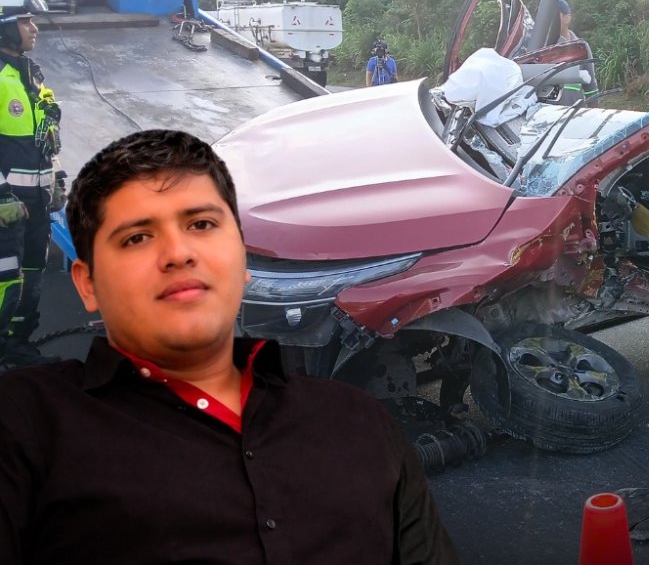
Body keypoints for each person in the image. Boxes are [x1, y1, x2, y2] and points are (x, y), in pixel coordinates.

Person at [0, 129, 459, 564]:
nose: (179, 253)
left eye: (201, 224)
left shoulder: (361, 424)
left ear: (242, 261)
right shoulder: (25, 425)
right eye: (137, 237)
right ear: (88, 284)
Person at [0, 0, 63, 369]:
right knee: (5, 280)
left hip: (35, 206)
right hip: (7, 210)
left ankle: (18, 348)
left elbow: (45, 136)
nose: (34, 27)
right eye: (25, 21)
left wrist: (55, 177)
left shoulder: (31, 74)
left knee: (32, 275)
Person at [551, 0, 599, 105]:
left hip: (575, 116)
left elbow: (591, 87)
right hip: (549, 117)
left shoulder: (581, 48)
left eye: (554, 15)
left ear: (566, 18)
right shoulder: (543, 50)